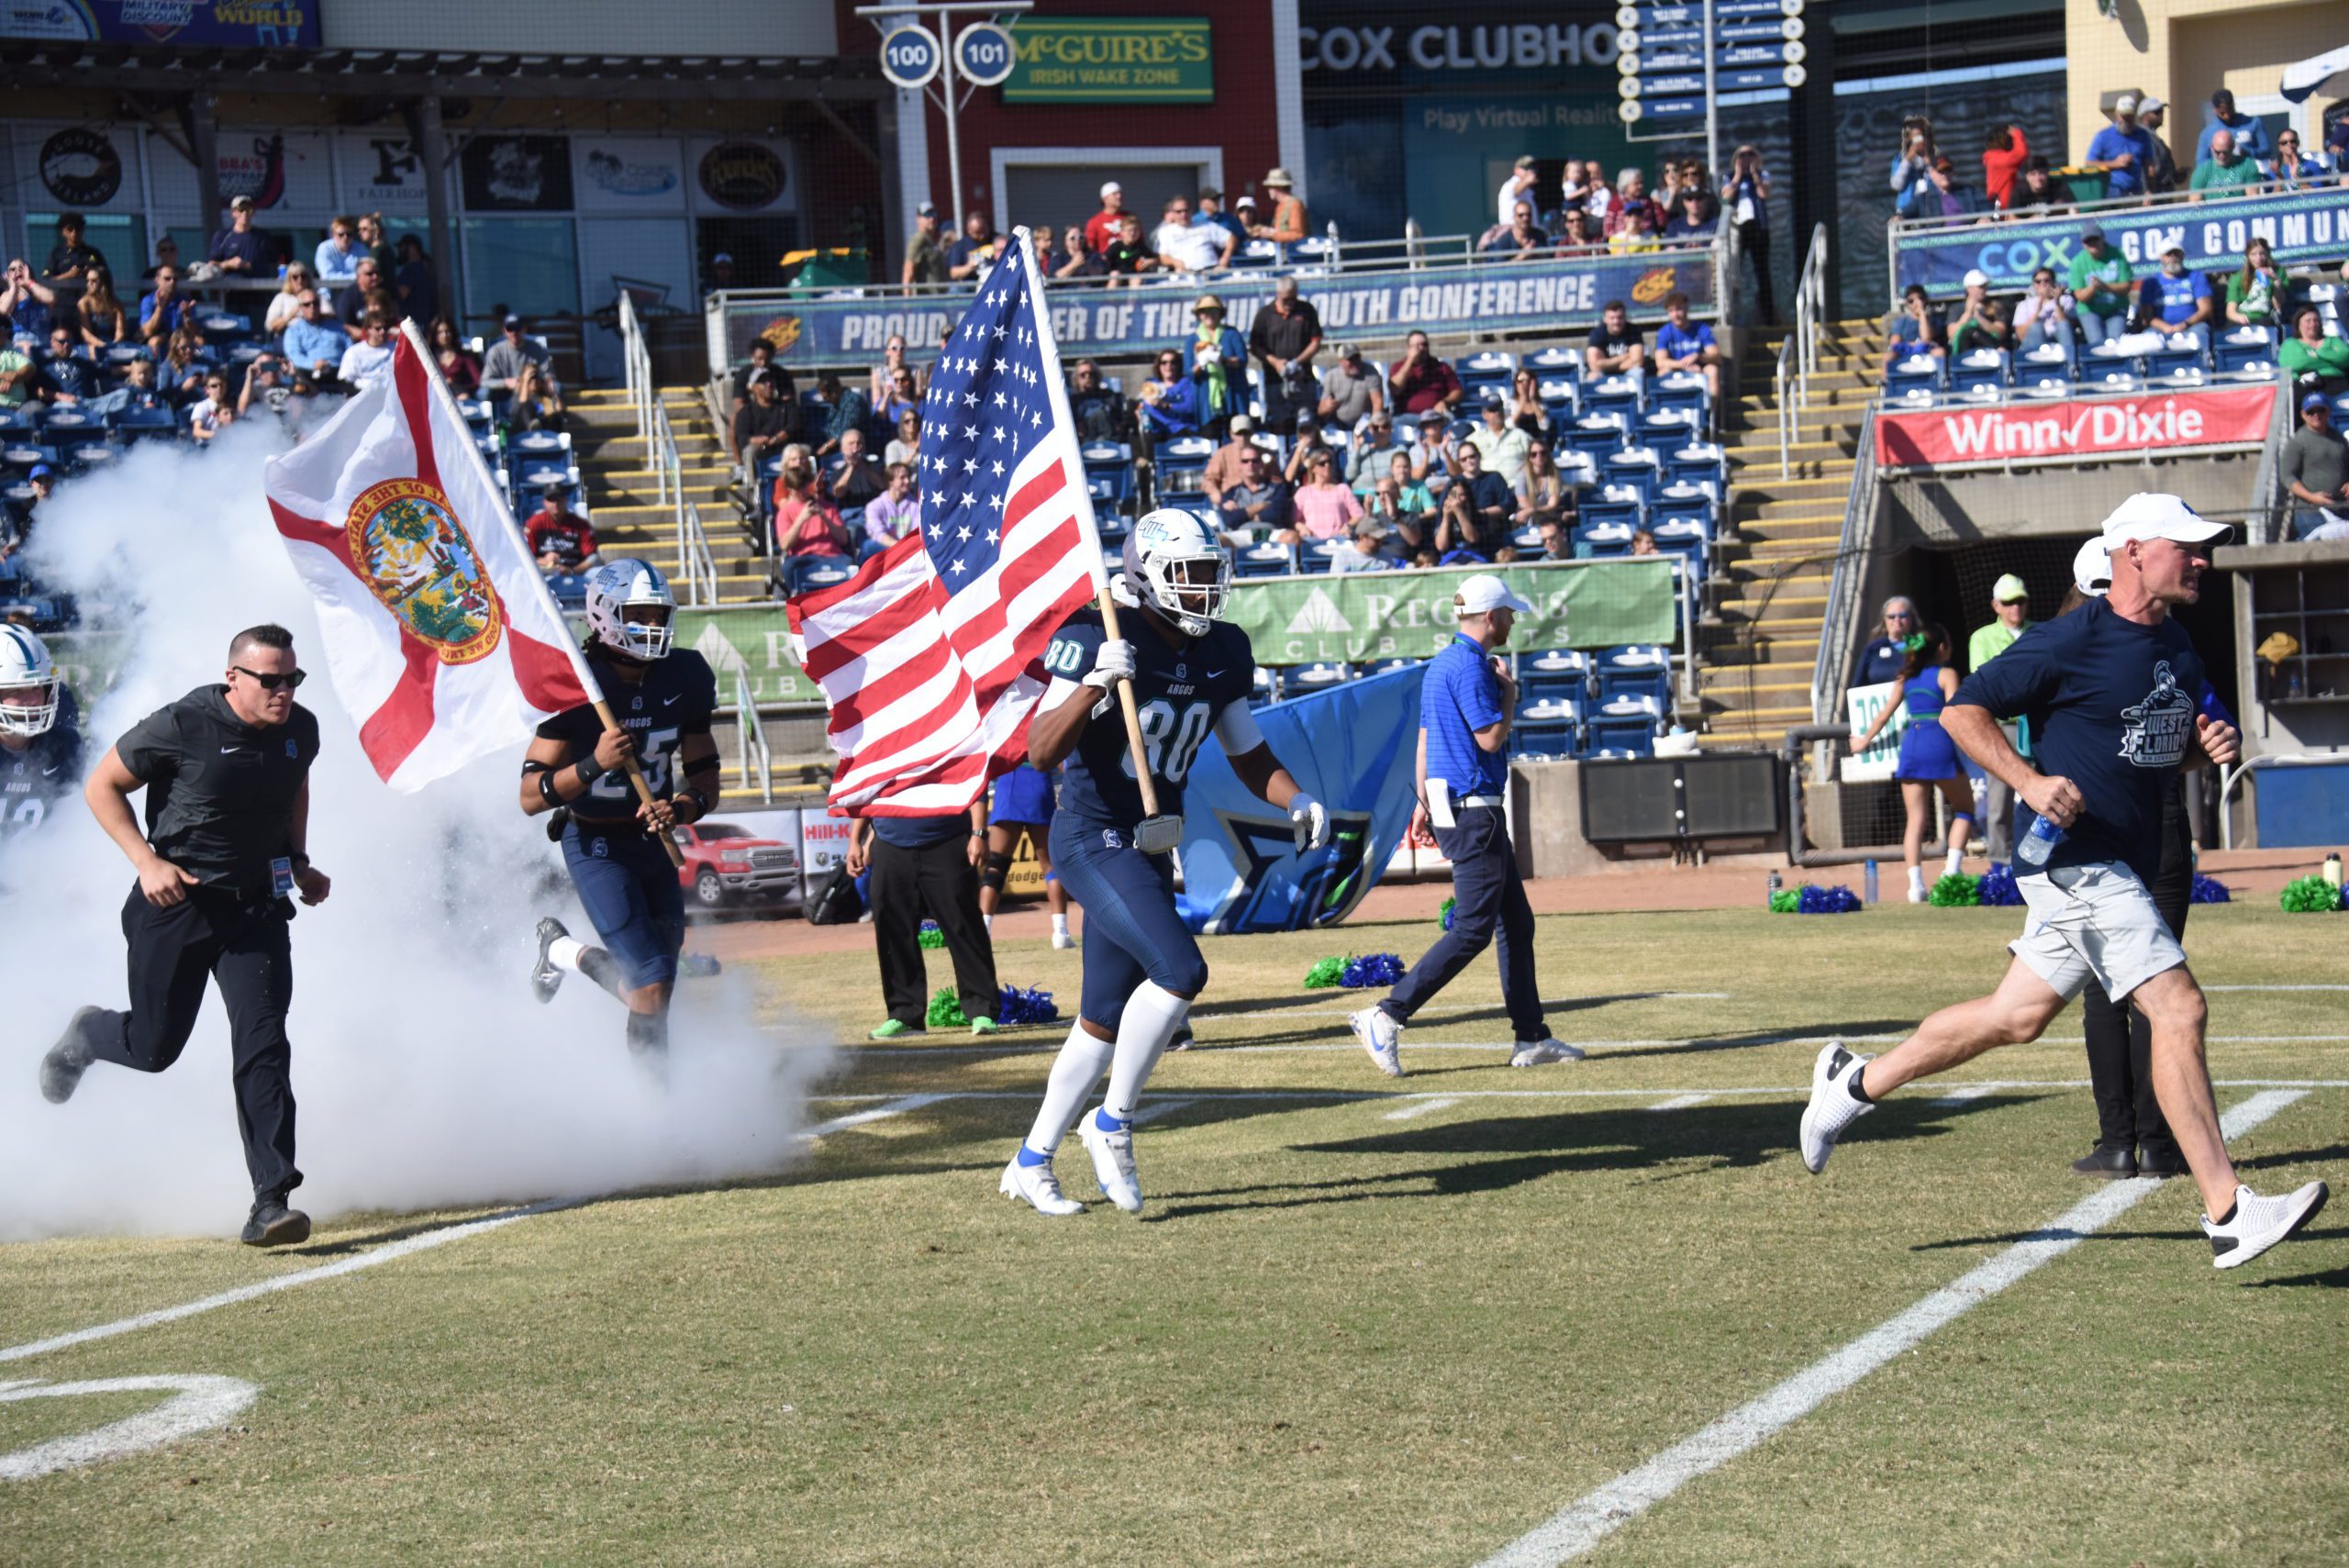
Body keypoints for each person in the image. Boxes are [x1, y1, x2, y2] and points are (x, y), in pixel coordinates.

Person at [1798, 493, 2330, 1272]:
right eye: (2186, 546)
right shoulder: (2066, 640)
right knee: (2178, 1007)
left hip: (2120, 864)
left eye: (2203, 545)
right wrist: (2029, 780)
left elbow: (2149, 750)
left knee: (2014, 1017)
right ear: (2131, 552)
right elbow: (1963, 714)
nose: (2202, 558)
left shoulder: (2178, 646)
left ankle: (1853, 1082)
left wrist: (2200, 747)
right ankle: (2228, 1212)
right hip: (2074, 861)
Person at [1001, 509, 1328, 1215]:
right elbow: (1040, 751)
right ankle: (1112, 1124)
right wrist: (1093, 684)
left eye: (1210, 573)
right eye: (1188, 574)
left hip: (1149, 840)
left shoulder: (1222, 648)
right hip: (1091, 834)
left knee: (1100, 1018)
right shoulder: (1096, 631)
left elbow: (1247, 751)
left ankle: (1031, 1159)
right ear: (1146, 576)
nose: (1205, 588)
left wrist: (1295, 797)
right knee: (1181, 972)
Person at [41, 625, 330, 1247]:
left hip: (254, 910)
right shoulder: (183, 723)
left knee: (264, 1045)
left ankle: (271, 1200)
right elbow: (102, 785)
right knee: (154, 1048)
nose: (284, 691)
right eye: (270, 680)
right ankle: (87, 1033)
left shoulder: (299, 729)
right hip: (174, 906)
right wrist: (147, 862)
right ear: (235, 678)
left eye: (292, 679)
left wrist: (298, 860)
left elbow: (295, 783)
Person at [1353, 574, 1575, 1075]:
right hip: (1476, 810)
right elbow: (1491, 739)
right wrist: (1511, 695)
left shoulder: (1441, 664)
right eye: (1509, 613)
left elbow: (1425, 741)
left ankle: (1531, 1035)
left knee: (1516, 924)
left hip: (1457, 804)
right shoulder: (1473, 667)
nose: (1514, 620)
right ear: (1491, 616)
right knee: (1475, 927)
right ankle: (1387, 1014)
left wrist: (1425, 803)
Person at [523, 562, 719, 1062]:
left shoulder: (686, 674)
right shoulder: (575, 682)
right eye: (639, 614)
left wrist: (680, 806)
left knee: (654, 992)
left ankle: (563, 952)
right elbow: (530, 795)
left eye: (659, 615)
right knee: (651, 986)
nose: (653, 627)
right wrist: (593, 764)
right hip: (596, 843)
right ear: (605, 615)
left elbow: (705, 775)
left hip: (654, 842)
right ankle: (661, 1121)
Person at [2056, 537, 2194, 1181]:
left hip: (2096, 834)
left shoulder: (2067, 650)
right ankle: (2159, 1142)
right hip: (2158, 826)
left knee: (2105, 995)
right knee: (2158, 990)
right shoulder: (2160, 646)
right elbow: (2209, 720)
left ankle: (2120, 1141)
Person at [847, 786, 1000, 1039]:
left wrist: (978, 832)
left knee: (964, 927)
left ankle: (982, 1010)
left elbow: (975, 778)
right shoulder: (880, 745)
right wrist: (855, 840)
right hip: (889, 843)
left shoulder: (945, 743)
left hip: (947, 838)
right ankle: (904, 1015)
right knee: (892, 933)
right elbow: (866, 785)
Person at [1847, 621, 1976, 900]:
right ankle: (1952, 871)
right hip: (1938, 741)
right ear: (1942, 649)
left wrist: (1863, 741)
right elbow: (1956, 711)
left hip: (1913, 744)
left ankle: (1915, 885)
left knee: (1915, 819)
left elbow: (1884, 715)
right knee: (1965, 808)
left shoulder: (1904, 677)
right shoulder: (1946, 674)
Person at [1966, 573, 2034, 861]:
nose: (2015, 608)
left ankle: (2044, 854)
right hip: (2002, 726)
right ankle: (1999, 860)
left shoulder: (2040, 632)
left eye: (2019, 601)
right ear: (1996, 605)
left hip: (2036, 725)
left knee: (2048, 788)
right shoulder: (1981, 637)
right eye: (2008, 602)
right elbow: (1984, 680)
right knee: (1998, 796)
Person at [978, 763, 1074, 948]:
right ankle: (1061, 933)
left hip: (1009, 786)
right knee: (1051, 867)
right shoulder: (1042, 732)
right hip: (1039, 786)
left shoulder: (1005, 732)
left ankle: (984, 932)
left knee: (995, 867)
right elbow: (1065, 764)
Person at [1247, 274, 1322, 433]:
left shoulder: (1306, 310)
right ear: (1277, 295)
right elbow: (1255, 346)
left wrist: (1298, 361)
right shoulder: (1265, 315)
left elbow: (1315, 342)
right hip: (1275, 380)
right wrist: (1274, 362)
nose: (1290, 303)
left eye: (1293, 298)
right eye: (1286, 299)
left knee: (1306, 422)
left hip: (1303, 378)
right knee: (1279, 423)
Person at [2283, 393, 2349, 541]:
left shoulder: (2338, 439)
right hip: (2311, 512)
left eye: (2321, 410)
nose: (2316, 415)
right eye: (2311, 411)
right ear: (2303, 414)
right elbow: (2287, 476)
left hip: (2340, 509)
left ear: (2329, 412)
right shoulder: (2298, 440)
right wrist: (2312, 497)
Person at [1439, 444, 1513, 562]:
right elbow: (1443, 511)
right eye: (1463, 459)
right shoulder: (1453, 484)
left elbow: (1506, 506)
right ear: (1459, 462)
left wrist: (1478, 513)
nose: (1469, 461)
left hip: (1489, 539)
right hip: (1456, 545)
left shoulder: (1494, 478)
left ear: (1479, 456)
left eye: (1472, 456)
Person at [2066, 226, 2133, 350]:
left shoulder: (2117, 255)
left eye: (2095, 239)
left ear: (2102, 239)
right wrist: (2093, 288)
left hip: (2116, 308)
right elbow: (2080, 296)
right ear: (2083, 244)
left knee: (2115, 341)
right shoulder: (2078, 262)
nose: (2093, 244)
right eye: (2088, 241)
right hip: (2090, 310)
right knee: (2097, 343)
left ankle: (2117, 368)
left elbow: (2126, 287)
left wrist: (2105, 286)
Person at [1190, 294, 1249, 433]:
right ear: (1199, 315)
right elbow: (1188, 371)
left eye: (1213, 310)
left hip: (1232, 393)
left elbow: (1242, 360)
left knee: (1236, 433)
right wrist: (1202, 362)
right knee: (1210, 436)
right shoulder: (1192, 339)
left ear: (1220, 313)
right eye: (1204, 311)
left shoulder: (1231, 334)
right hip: (1206, 395)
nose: (1209, 315)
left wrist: (1223, 360)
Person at [774, 451, 850, 557]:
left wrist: (825, 517)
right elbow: (785, 545)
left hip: (832, 555)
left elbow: (843, 539)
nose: (803, 492)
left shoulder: (828, 508)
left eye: (804, 487)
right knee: (788, 568)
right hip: (803, 557)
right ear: (790, 490)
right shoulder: (785, 512)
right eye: (798, 490)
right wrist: (801, 520)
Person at [1282, 450, 1364, 547]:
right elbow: (1293, 520)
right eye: (1322, 463)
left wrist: (1348, 526)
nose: (1327, 466)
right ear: (1313, 468)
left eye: (1330, 462)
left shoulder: (1342, 489)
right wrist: (1301, 527)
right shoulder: (1303, 492)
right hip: (1311, 540)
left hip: (1339, 539)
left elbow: (1359, 515)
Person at [2136, 246, 2213, 349]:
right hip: (2161, 328)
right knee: (2148, 337)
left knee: (2201, 333)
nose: (2173, 258)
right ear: (2161, 257)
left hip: (2192, 326)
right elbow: (2146, 316)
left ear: (2183, 256)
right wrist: (2166, 327)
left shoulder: (2196, 276)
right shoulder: (2151, 282)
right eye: (2168, 254)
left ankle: (2205, 363)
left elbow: (2205, 309)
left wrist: (2185, 324)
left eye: (2176, 253)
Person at [2085, 94, 2154, 202]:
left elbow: (2149, 165)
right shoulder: (2103, 136)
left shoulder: (2143, 135)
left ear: (2134, 116)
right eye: (2123, 116)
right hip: (2112, 192)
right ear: (2116, 114)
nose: (2126, 120)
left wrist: (2148, 190)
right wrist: (2114, 164)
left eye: (2129, 117)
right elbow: (2089, 163)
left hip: (2137, 193)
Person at [1214, 444, 1291, 539]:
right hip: (1241, 535)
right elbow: (1230, 520)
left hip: (1272, 533)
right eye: (1245, 461)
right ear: (1240, 465)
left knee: (1291, 537)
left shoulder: (1277, 488)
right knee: (1219, 540)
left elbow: (1276, 514)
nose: (1250, 464)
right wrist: (1261, 506)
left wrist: (1242, 512)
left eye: (1255, 461)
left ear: (1261, 464)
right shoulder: (1231, 492)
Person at [1652, 291, 1720, 397]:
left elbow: (1716, 356)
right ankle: (1668, 409)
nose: (1676, 315)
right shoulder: (1664, 332)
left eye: (1679, 309)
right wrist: (1684, 365)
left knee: (1712, 369)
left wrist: (1698, 356)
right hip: (1676, 370)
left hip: (1700, 369)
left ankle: (1710, 412)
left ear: (1686, 307)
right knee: (1663, 372)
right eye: (1671, 311)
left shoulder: (1702, 328)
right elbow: (1660, 362)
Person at [525, 484, 600, 575]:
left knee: (596, 573)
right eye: (551, 499)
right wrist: (543, 561)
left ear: (566, 500)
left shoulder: (581, 525)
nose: (555, 503)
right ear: (544, 502)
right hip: (545, 574)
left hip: (575, 572)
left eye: (559, 499)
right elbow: (524, 556)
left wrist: (572, 571)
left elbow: (592, 557)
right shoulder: (534, 523)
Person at [1135, 347, 1205, 445]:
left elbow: (1190, 407)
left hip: (1180, 430)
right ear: (1158, 365)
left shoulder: (1185, 383)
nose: (1169, 366)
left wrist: (1165, 405)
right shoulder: (1151, 385)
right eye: (1164, 362)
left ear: (1179, 365)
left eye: (1173, 362)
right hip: (1156, 431)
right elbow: (1143, 405)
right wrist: (1140, 412)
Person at [1464, 389, 1531, 491]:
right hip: (1487, 490)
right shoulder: (1473, 439)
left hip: (1517, 488)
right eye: (1493, 410)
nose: (1497, 413)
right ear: (1484, 414)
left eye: (1499, 408)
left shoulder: (1520, 435)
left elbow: (1535, 457)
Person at [1388, 329, 1464, 417]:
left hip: (1436, 415)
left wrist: (1445, 402)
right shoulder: (1398, 367)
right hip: (1407, 416)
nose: (1421, 348)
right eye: (1417, 346)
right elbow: (1395, 389)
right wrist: (1410, 360)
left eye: (1424, 345)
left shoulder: (1441, 367)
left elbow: (1457, 391)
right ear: (1408, 348)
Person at [480, 315, 558, 399]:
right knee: (483, 393)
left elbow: (548, 373)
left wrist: (547, 381)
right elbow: (485, 381)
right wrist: (506, 383)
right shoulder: (495, 351)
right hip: (505, 391)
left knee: (557, 387)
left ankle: (552, 412)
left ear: (524, 329)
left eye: (517, 328)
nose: (514, 332)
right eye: (510, 328)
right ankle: (496, 412)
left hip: (532, 389)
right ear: (504, 331)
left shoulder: (538, 348)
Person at [279, 287, 346, 384]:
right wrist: (313, 364)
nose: (312, 307)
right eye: (307, 304)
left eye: (315, 303)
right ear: (300, 307)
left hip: (339, 371)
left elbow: (349, 348)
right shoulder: (294, 331)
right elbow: (294, 356)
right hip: (309, 375)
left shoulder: (336, 326)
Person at [2281, 304, 2349, 391]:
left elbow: (2346, 357)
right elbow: (2296, 363)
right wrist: (2332, 363)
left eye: (2316, 320)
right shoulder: (2291, 343)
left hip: (2335, 381)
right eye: (2308, 321)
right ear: (2299, 324)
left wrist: (2317, 354)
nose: (2313, 324)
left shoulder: (2332, 341)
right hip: (2304, 383)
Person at [2194, 88, 2269, 166]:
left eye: (2230, 110)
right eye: (2222, 113)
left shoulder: (2253, 123)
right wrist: (2220, 159)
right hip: (2221, 177)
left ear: (2233, 105)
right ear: (2214, 110)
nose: (2227, 116)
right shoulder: (2207, 133)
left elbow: (2266, 151)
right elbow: (2200, 163)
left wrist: (2247, 152)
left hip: (2249, 174)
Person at [1317, 342, 1383, 431]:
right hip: (1338, 423)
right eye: (1351, 359)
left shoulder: (1370, 373)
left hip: (1364, 422)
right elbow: (1320, 410)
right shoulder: (1331, 376)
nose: (1355, 362)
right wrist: (1327, 407)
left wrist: (1373, 424)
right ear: (1340, 361)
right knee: (1328, 431)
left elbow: (1377, 402)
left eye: (1357, 358)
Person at [1153, 196, 1228, 273]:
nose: (1183, 214)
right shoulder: (1165, 231)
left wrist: (1225, 258)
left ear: (1191, 211)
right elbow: (1163, 257)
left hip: (1211, 270)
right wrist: (1174, 262)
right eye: (1179, 211)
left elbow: (1231, 238)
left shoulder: (1207, 225)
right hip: (1185, 273)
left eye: (1186, 210)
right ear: (1173, 213)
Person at [1854, 596, 1918, 686]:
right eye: (1891, 617)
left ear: (1911, 619)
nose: (1897, 620)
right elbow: (1857, 686)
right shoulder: (1872, 649)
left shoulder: (1922, 647)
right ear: (1884, 620)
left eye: (1902, 616)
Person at [2012, 267, 2076, 355]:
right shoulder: (2024, 305)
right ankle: (2038, 365)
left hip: (2057, 339)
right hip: (2033, 343)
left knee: (2063, 325)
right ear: (2034, 284)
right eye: (2038, 281)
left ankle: (2070, 363)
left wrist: (2057, 303)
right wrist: (2038, 309)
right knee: (2036, 327)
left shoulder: (2066, 299)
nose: (2043, 284)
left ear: (2053, 282)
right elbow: (2021, 336)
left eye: (2046, 281)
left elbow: (2069, 327)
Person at [208, 194, 274, 276]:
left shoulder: (264, 236)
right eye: (241, 209)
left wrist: (246, 265)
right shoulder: (222, 236)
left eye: (248, 209)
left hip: (259, 287)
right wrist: (228, 264)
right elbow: (211, 265)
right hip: (230, 287)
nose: (245, 213)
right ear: (233, 213)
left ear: (253, 213)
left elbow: (275, 263)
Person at [1249, 168, 1308, 259]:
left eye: (1270, 186)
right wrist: (1266, 230)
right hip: (1282, 255)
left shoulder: (1294, 205)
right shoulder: (1280, 206)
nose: (1269, 190)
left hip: (1294, 258)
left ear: (1279, 186)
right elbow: (1281, 231)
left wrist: (1272, 235)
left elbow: (1298, 235)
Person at [2190, 128, 2262, 201]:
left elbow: (2253, 199)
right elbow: (2195, 203)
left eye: (2225, 152)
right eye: (2218, 152)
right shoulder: (2202, 171)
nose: (2222, 156)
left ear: (2233, 147)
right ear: (2211, 148)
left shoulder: (2247, 165)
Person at [863, 462, 921, 550]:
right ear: (890, 481)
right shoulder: (874, 506)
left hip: (909, 549)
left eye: (908, 477)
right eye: (902, 478)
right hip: (885, 548)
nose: (907, 481)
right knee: (869, 546)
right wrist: (899, 547)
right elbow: (878, 533)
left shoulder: (916, 505)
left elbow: (917, 532)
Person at [44, 212, 102, 296]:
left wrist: (89, 272)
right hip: (64, 302)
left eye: (78, 229)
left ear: (82, 231)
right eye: (70, 229)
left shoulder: (94, 253)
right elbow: (46, 281)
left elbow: (105, 278)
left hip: (89, 301)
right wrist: (69, 275)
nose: (74, 233)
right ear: (63, 232)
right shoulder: (56, 254)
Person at [828, 427, 884, 510]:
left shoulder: (874, 464)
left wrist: (861, 464)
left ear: (864, 447)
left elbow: (882, 485)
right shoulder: (837, 469)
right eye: (851, 443)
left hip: (875, 509)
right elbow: (838, 493)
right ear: (842, 449)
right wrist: (851, 466)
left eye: (859, 443)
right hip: (850, 513)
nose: (856, 447)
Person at [1586, 299, 1645, 376]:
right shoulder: (1597, 334)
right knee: (1593, 376)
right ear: (1605, 319)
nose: (1616, 322)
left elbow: (1637, 362)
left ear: (1625, 318)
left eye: (1620, 317)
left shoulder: (1634, 331)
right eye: (1612, 318)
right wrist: (1622, 358)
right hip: (1604, 373)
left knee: (1638, 372)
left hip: (1628, 371)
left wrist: (1606, 364)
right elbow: (1594, 366)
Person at [338, 312, 396, 390]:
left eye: (385, 328)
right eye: (378, 329)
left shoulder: (396, 348)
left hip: (389, 393)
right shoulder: (354, 352)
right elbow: (345, 380)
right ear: (368, 330)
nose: (382, 332)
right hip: (363, 393)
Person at [76, 265, 128, 350]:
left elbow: (120, 333)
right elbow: (87, 336)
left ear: (103, 282)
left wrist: (114, 345)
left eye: (94, 281)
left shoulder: (116, 304)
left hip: (113, 343)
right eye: (87, 281)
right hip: (93, 344)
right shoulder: (84, 303)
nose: (89, 284)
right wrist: (104, 346)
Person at [1980, 124, 2032, 210]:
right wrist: (2017, 133)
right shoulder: (1999, 159)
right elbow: (2021, 153)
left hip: (2004, 205)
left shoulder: (1992, 157)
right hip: (2004, 206)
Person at [2136, 97, 2181, 195]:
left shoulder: (2154, 137)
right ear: (2145, 116)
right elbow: (2144, 168)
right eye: (2157, 112)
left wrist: (2175, 175)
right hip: (2154, 194)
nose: (2161, 115)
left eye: (2161, 111)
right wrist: (2146, 191)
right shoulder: (2142, 137)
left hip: (2163, 193)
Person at [140, 263, 195, 339]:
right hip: (158, 338)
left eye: (175, 279)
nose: (172, 282)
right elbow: (147, 332)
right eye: (167, 278)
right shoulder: (148, 301)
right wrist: (159, 308)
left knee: (200, 341)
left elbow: (193, 334)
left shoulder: (185, 300)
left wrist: (187, 316)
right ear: (157, 280)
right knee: (155, 341)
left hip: (179, 339)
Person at [902, 201, 946, 293]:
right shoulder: (918, 239)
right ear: (918, 219)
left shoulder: (931, 240)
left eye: (934, 214)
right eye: (927, 215)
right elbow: (908, 272)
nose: (932, 218)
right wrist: (906, 303)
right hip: (925, 301)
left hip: (939, 298)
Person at [1484, 200, 1549, 260]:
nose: (1525, 218)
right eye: (1521, 215)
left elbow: (1549, 260)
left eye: (1528, 215)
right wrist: (1522, 256)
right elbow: (1499, 269)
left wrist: (1539, 254)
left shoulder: (1540, 235)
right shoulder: (1503, 241)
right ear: (1514, 217)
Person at [946, 211, 999, 284]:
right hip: (971, 284)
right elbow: (953, 273)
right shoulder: (961, 246)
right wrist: (969, 267)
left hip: (994, 281)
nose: (982, 236)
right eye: (978, 233)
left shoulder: (997, 240)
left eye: (984, 231)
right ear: (969, 230)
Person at [188, 371, 237, 443]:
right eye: (214, 386)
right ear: (207, 390)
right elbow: (196, 431)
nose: (219, 388)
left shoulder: (230, 405)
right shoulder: (201, 406)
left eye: (221, 385)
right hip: (205, 446)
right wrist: (218, 435)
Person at [314, 216, 364, 284]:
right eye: (341, 234)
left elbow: (365, 273)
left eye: (349, 234)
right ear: (332, 235)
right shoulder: (324, 249)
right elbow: (328, 276)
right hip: (329, 293)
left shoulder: (360, 248)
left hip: (355, 292)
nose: (345, 237)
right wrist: (357, 276)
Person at [1083, 183, 1129, 257]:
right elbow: (1090, 248)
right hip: (1106, 265)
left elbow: (1140, 243)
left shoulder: (1129, 218)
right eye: (1115, 194)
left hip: (1128, 263)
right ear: (1105, 199)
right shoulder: (1094, 222)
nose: (1119, 196)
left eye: (1120, 193)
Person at [1497, 153, 1540, 229]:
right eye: (1526, 168)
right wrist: (1528, 180)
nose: (1530, 171)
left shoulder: (1528, 190)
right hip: (1512, 234)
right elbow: (1516, 190)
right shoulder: (1510, 185)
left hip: (1527, 234)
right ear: (1517, 169)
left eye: (1533, 168)